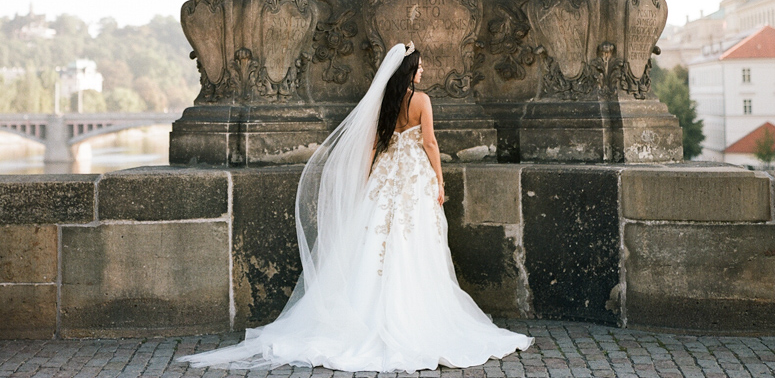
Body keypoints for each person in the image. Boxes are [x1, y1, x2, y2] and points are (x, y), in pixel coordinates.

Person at [181, 42, 532, 371]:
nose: (423, 71)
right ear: (410, 70)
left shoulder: (384, 102)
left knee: (374, 241)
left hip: (385, 175)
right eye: (420, 66)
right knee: (417, 239)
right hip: (413, 177)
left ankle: (367, 311)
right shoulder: (421, 101)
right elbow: (430, 142)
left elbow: (371, 146)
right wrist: (439, 181)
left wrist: (365, 181)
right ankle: (416, 313)